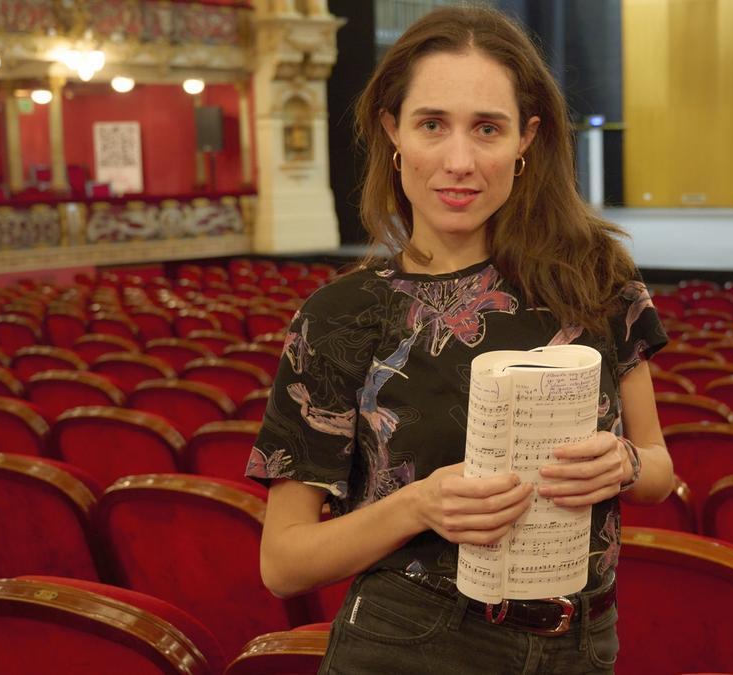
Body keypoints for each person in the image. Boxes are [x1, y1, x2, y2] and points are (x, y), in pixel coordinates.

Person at [247, 6, 674, 673]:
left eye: (488, 129)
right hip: (411, 638)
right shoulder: (341, 315)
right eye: (432, 124)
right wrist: (418, 503)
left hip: (585, 640)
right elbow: (284, 562)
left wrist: (626, 463)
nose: (459, 161)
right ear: (392, 131)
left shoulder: (595, 276)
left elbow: (659, 467)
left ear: (526, 139)